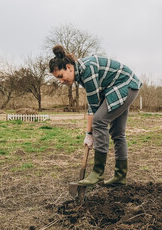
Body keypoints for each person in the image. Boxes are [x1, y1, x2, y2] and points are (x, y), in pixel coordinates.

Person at [48, 45, 142, 186]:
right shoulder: (79, 73)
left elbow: (93, 108)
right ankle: (120, 177)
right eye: (58, 79)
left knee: (99, 121)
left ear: (68, 67)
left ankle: (98, 172)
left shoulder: (87, 70)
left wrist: (89, 133)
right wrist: (90, 133)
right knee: (117, 133)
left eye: (61, 76)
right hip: (116, 87)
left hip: (125, 85)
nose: (61, 81)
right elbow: (95, 102)